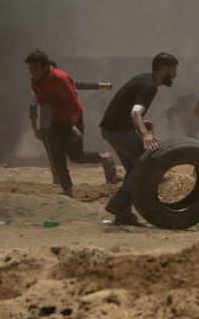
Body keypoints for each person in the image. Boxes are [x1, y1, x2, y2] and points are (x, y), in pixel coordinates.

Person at [98, 52, 179, 226]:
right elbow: (135, 113)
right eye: (173, 70)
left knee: (135, 170)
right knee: (147, 165)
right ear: (164, 69)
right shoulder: (149, 86)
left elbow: (129, 109)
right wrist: (145, 133)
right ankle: (118, 204)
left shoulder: (144, 79)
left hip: (112, 129)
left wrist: (142, 124)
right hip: (118, 131)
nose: (175, 75)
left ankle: (124, 215)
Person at [25, 50, 118, 195]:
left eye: (35, 68)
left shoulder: (60, 78)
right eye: (30, 68)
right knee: (57, 158)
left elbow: (74, 105)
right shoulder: (35, 81)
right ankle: (68, 193)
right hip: (55, 121)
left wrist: (74, 125)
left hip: (72, 119)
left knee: (76, 157)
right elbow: (40, 102)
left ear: (45, 67)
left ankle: (104, 158)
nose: (32, 72)